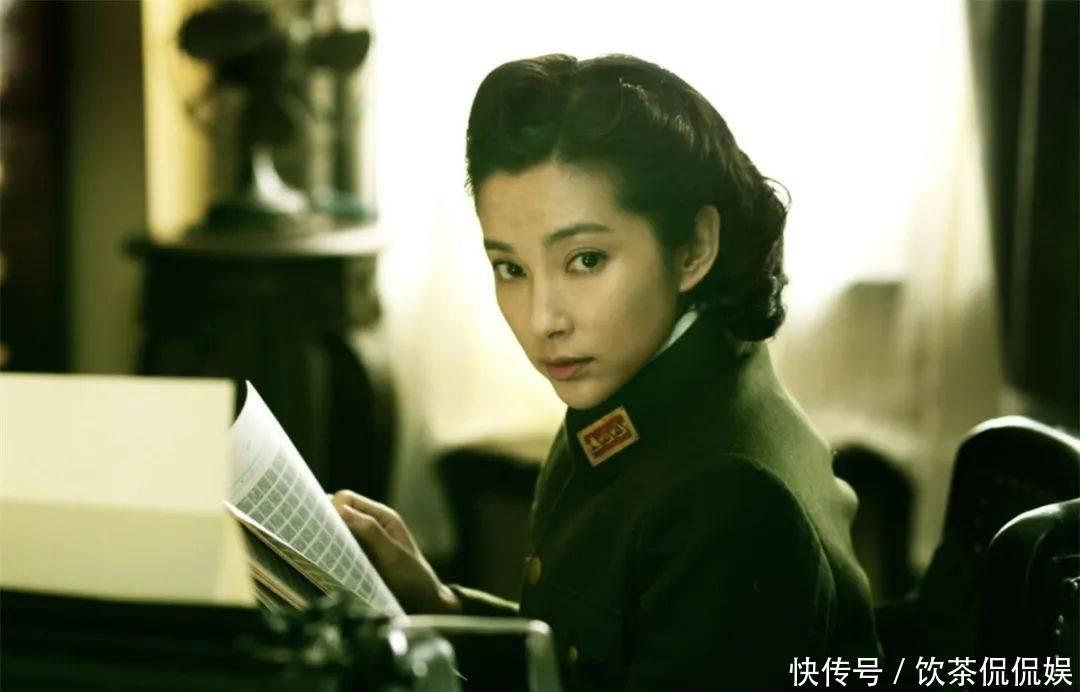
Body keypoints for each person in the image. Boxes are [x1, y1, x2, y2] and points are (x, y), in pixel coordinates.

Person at [331, 53, 882, 690]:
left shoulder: (727, 500)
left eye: (586, 260)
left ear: (694, 248)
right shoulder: (663, 385)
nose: (542, 319)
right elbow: (593, 661)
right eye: (510, 268)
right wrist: (439, 606)